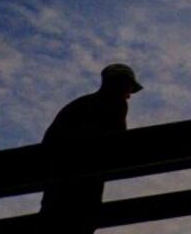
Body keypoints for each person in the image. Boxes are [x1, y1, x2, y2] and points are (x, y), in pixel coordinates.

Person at [40, 63, 144, 234]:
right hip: (84, 188)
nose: (129, 96)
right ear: (120, 83)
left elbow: (47, 145)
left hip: (56, 185)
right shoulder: (116, 105)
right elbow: (121, 146)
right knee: (83, 221)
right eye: (129, 89)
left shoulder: (77, 105)